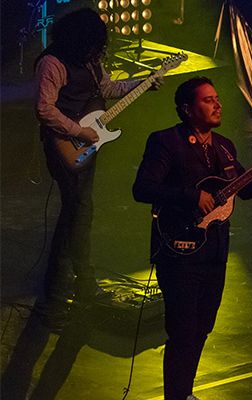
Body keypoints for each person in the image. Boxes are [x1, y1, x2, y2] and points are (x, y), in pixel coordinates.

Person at [132, 76, 252, 400]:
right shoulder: (166, 142)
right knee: (181, 331)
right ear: (187, 109)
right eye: (208, 100)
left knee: (202, 327)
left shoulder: (224, 148)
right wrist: (191, 197)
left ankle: (185, 392)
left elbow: (244, 189)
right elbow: (143, 189)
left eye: (217, 98)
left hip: (214, 252)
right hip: (178, 251)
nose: (217, 104)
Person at [34, 8, 160, 331]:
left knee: (82, 213)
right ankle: (53, 302)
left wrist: (142, 83)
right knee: (72, 218)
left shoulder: (89, 62)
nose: (98, 52)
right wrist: (78, 132)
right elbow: (44, 109)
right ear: (80, 40)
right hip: (64, 147)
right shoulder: (53, 64)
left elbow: (107, 89)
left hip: (87, 144)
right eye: (94, 45)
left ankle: (83, 286)